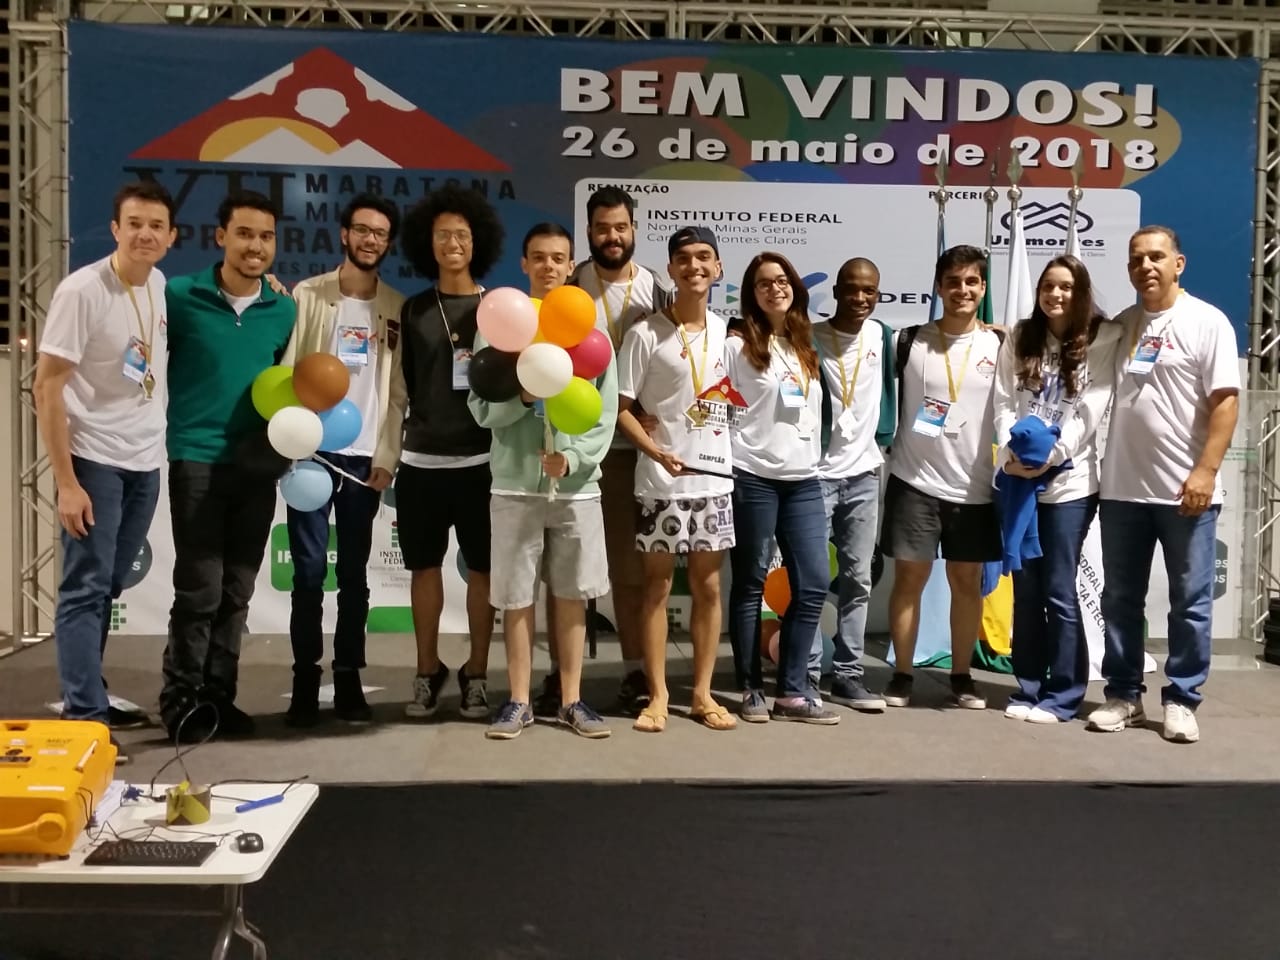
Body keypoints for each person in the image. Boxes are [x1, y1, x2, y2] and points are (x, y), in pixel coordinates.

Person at [35, 181, 177, 762]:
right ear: (116, 229)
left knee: (109, 584)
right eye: (134, 224)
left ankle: (87, 693)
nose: (145, 234)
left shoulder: (158, 284)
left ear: (170, 236)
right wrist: (67, 483)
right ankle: (84, 718)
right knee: (86, 587)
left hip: (144, 461)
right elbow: (46, 386)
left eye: (156, 226)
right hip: (94, 459)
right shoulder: (82, 291)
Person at [1088, 226, 1241, 743]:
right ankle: (1123, 696)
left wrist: (1206, 471)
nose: (1145, 267)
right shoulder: (1122, 325)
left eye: (1156, 257)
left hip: (1186, 493)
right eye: (1136, 259)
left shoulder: (1207, 321)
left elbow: (1225, 402)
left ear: (1179, 263)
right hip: (1122, 491)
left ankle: (1181, 699)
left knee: (1190, 603)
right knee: (1120, 600)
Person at [159, 190, 297, 742]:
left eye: (265, 236)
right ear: (221, 237)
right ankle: (181, 700)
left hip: (256, 465)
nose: (255, 246)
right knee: (200, 590)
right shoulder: (179, 295)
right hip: (195, 457)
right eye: (244, 234)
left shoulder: (283, 309)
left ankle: (219, 698)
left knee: (237, 591)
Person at [544, 186, 673, 718]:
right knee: (563, 568)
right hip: (573, 444)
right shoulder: (569, 285)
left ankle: (635, 672)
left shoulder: (656, 289)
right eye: (602, 228)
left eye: (620, 227)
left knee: (629, 568)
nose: (612, 236)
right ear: (589, 232)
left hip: (630, 449)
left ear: (634, 229)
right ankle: (559, 675)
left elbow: (671, 358)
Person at [280, 194, 406, 727]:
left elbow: (397, 394)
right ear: (344, 235)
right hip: (310, 452)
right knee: (308, 572)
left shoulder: (396, 307)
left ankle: (349, 677)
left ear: (388, 243)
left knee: (354, 574)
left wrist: (388, 455)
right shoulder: (309, 295)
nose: (370, 240)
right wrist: (290, 441)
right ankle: (305, 682)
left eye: (380, 233)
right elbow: (287, 370)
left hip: (363, 461)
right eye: (362, 230)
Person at [468, 320, 617, 741]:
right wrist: (524, 397)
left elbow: (605, 412)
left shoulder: (592, 332)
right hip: (514, 486)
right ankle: (519, 700)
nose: (548, 277)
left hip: (576, 490)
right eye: (539, 259)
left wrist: (573, 459)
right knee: (516, 596)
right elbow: (480, 407)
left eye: (558, 259)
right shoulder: (499, 328)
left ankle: (571, 700)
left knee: (572, 593)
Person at [617, 226, 738, 733]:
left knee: (709, 588)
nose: (694, 266)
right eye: (683, 258)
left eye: (704, 257)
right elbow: (619, 409)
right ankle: (659, 695)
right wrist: (655, 451)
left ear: (718, 268)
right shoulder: (645, 334)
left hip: (714, 482)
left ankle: (703, 694)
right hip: (660, 483)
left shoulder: (728, 333)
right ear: (669, 269)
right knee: (657, 588)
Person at [993, 255, 1121, 724]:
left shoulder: (1102, 338)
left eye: (1065, 286)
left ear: (1080, 291)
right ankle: (1028, 686)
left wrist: (1048, 457)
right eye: (1048, 286)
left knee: (1058, 590)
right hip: (1018, 478)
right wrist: (1013, 450)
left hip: (1070, 484)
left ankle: (1064, 695)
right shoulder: (1020, 336)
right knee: (1026, 589)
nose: (1055, 294)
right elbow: (1004, 401)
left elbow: (1090, 410)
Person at [394, 186, 503, 721]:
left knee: (483, 572)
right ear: (427, 242)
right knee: (424, 569)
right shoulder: (413, 309)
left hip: (482, 464)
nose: (453, 243)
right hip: (421, 464)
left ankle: (477, 675)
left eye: (462, 234)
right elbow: (404, 385)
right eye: (442, 235)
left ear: (478, 241)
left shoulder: (498, 308)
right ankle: (426, 671)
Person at [881, 244, 1004, 710]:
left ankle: (961, 676)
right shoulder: (909, 341)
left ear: (983, 288)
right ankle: (902, 674)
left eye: (972, 281)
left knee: (967, 584)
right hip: (914, 481)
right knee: (909, 580)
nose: (962, 290)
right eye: (953, 282)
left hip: (975, 487)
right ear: (938, 287)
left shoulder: (1001, 346)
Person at [725, 252, 839, 724]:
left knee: (813, 583)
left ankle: (792, 690)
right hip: (752, 476)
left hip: (804, 479)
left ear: (794, 287)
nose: (775, 288)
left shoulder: (802, 346)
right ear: (752, 295)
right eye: (764, 283)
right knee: (750, 583)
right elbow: (714, 407)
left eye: (782, 280)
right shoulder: (735, 347)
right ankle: (750, 686)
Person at [808, 257, 897, 711]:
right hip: (815, 476)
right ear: (837, 291)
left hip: (863, 475)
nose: (861, 298)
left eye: (870, 290)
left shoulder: (883, 336)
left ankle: (848, 674)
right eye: (852, 289)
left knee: (858, 579)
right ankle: (805, 673)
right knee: (810, 579)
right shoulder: (809, 337)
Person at [521, 222, 574, 301]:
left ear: (570, 267)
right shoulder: (508, 309)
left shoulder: (586, 309)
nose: (548, 265)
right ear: (524, 265)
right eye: (538, 258)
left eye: (558, 259)